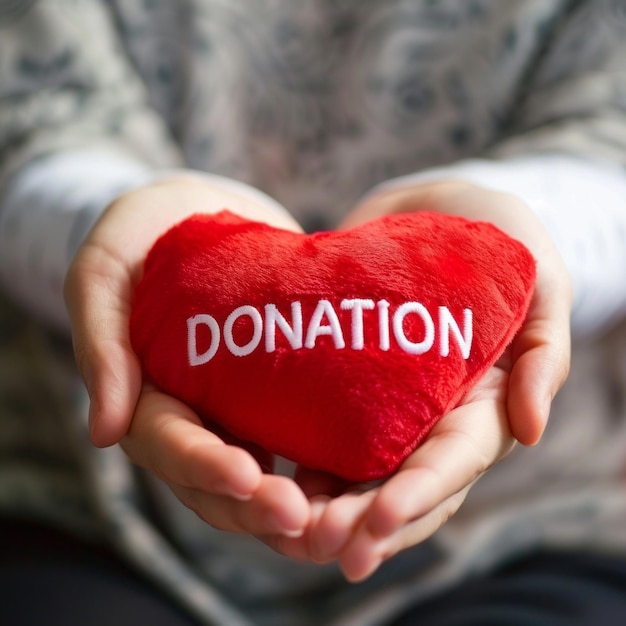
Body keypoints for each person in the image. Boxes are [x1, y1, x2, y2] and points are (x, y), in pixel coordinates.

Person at [1, 1, 626, 624]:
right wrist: (116, 232)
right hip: (79, 502)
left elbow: (611, 140)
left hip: (530, 525)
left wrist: (513, 235)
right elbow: (28, 123)